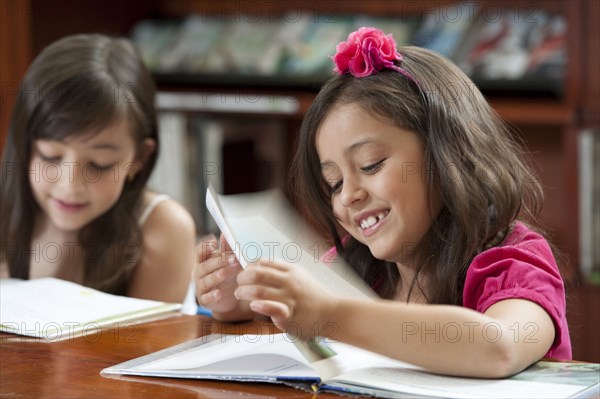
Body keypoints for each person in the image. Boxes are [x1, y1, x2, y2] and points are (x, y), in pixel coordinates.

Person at [192, 27, 571, 377]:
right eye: (334, 183)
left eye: (371, 165)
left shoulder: (515, 263)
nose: (349, 196)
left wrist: (327, 314)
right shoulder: (359, 264)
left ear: (448, 152)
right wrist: (239, 296)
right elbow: (299, 310)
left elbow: (499, 347)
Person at [0, 34, 196, 303]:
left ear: (138, 158)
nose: (70, 185)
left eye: (99, 165)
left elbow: (150, 344)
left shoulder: (162, 228)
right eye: (50, 157)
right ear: (24, 145)